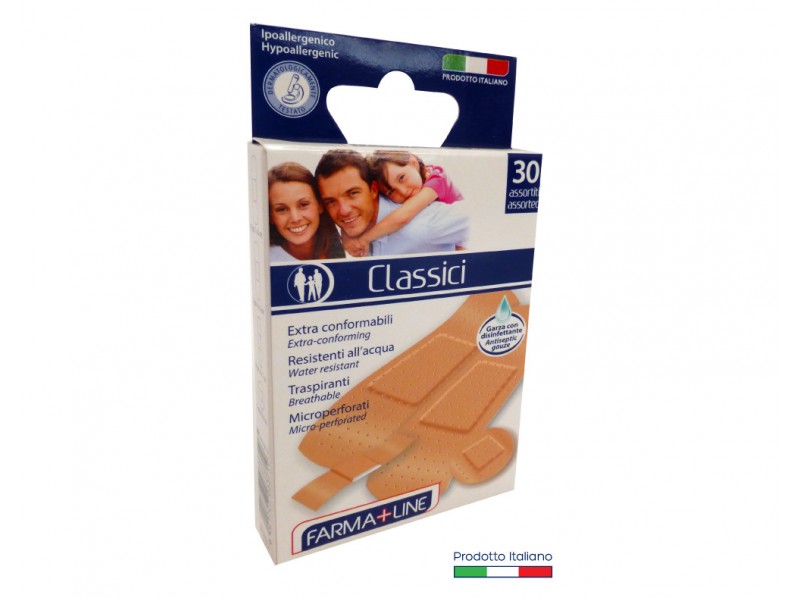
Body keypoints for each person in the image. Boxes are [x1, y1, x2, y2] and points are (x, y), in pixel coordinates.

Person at [315, 150, 468, 257]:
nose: (403, 191)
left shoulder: (435, 185)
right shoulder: (386, 187)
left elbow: (403, 216)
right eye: (331, 201)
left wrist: (364, 239)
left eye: (353, 193)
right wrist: (347, 234)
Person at [268, 162, 345, 262]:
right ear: (271, 216)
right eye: (281, 209)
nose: (295, 218)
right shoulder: (268, 260)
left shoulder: (346, 246)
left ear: (320, 205)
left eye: (303, 205)